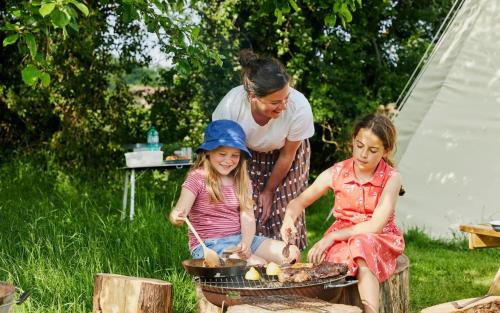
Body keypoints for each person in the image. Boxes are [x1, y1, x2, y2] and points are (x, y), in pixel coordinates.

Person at [280, 114, 405, 313]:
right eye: (359, 145)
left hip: (379, 237)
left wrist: (332, 236)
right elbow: (298, 203)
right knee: (329, 267)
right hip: (342, 237)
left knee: (360, 245)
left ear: (386, 150)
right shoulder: (338, 172)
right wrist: (288, 220)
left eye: (373, 150)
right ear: (353, 141)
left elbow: (376, 225)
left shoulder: (392, 177)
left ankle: (370, 310)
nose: (363, 154)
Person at [212, 49, 315, 250]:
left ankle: (287, 263)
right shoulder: (231, 106)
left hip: (286, 156)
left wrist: (269, 190)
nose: (283, 106)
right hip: (243, 155)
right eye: (275, 102)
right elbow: (221, 152)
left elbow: (288, 154)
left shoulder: (299, 107)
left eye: (286, 98)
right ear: (252, 96)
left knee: (283, 209)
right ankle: (248, 259)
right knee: (250, 207)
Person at [169, 119, 299, 265]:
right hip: (208, 245)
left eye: (234, 155)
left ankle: (273, 280)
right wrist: (177, 216)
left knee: (291, 253)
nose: (228, 160)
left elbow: (247, 217)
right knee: (257, 264)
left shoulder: (242, 181)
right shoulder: (197, 178)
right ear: (208, 153)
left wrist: (246, 243)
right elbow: (180, 210)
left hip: (239, 239)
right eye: (222, 154)